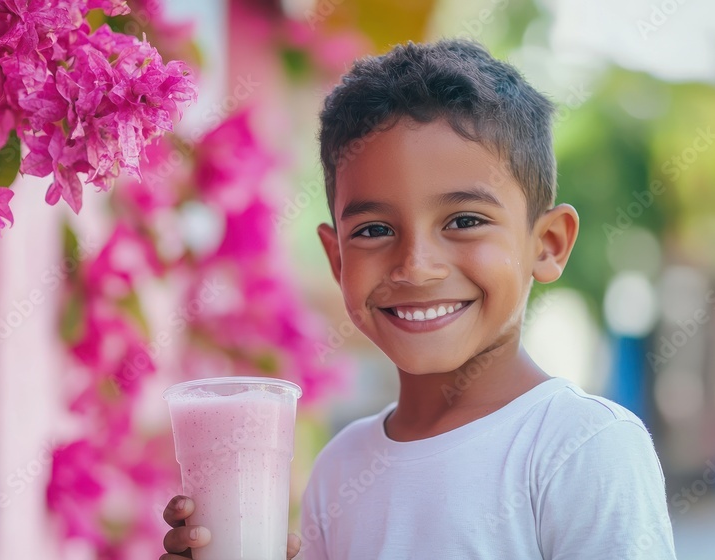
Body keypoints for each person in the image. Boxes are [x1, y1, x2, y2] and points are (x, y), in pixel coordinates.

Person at [160, 38, 676, 559]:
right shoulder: (340, 467)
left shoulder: (582, 448)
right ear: (337, 260)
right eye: (375, 229)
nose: (416, 265)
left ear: (547, 244)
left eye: (465, 221)